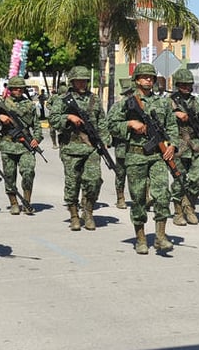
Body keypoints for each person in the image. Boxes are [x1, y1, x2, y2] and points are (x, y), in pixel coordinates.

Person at [107, 63, 180, 254]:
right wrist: (130, 124)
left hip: (157, 156)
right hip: (136, 156)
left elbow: (172, 126)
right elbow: (110, 125)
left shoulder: (163, 103)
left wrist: (172, 144)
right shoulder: (126, 103)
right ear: (137, 80)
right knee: (138, 198)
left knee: (162, 195)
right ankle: (140, 238)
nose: (148, 80)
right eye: (144, 77)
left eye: (151, 77)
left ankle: (160, 237)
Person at [49, 66, 110, 231]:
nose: (82, 83)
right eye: (79, 80)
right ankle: (74, 215)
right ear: (72, 81)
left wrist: (105, 140)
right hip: (71, 147)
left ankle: (88, 212)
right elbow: (53, 119)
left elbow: (102, 122)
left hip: (91, 148)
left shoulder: (94, 99)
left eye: (85, 80)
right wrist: (68, 117)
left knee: (94, 180)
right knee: (72, 183)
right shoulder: (63, 99)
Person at [0, 76, 43, 215]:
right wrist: (0, 118)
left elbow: (37, 125)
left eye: (20, 88)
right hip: (8, 145)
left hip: (25, 145)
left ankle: (26, 202)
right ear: (10, 89)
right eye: (14, 88)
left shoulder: (30, 105)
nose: (18, 90)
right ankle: (13, 203)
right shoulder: (3, 104)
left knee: (28, 172)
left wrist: (36, 139)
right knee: (9, 176)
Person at [168, 68, 199, 226]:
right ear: (177, 84)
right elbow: (157, 117)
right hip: (178, 145)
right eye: (183, 84)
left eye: (189, 84)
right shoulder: (168, 101)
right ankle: (179, 211)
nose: (186, 87)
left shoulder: (196, 101)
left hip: (195, 145)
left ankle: (189, 205)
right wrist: (175, 114)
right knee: (179, 179)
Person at [107, 78, 135, 209]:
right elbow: (110, 125)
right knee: (121, 172)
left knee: (141, 172)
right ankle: (120, 197)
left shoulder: (142, 104)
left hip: (139, 145)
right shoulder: (118, 106)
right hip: (123, 145)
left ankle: (145, 196)